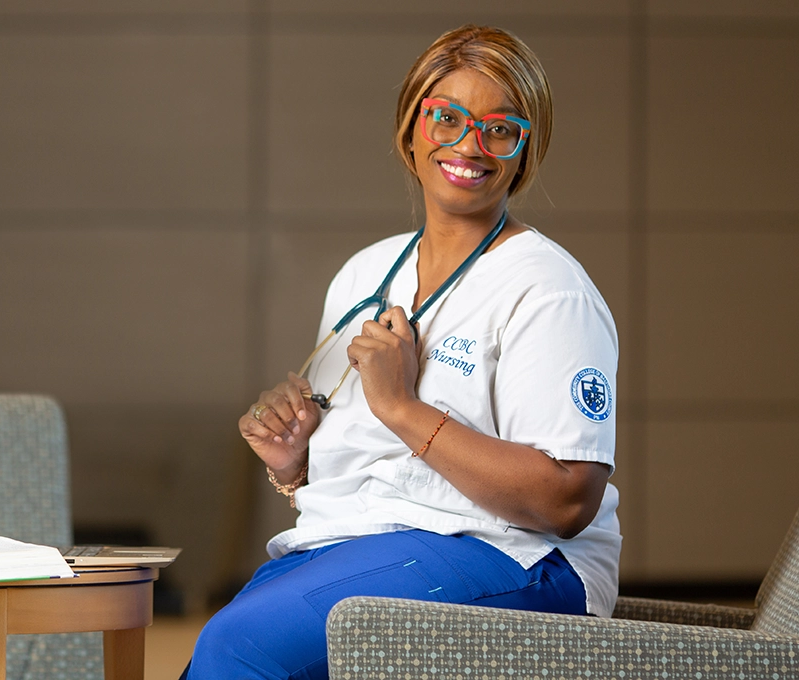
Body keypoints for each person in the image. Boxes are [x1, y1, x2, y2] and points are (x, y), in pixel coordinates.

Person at [182, 24, 621, 680]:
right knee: (213, 652)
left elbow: (566, 503)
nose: (470, 145)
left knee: (241, 649)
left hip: (523, 561)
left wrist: (400, 406)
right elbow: (375, 483)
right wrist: (295, 465)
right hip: (374, 544)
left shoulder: (548, 289)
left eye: (500, 128)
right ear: (411, 127)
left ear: (524, 152)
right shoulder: (366, 275)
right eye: (447, 118)